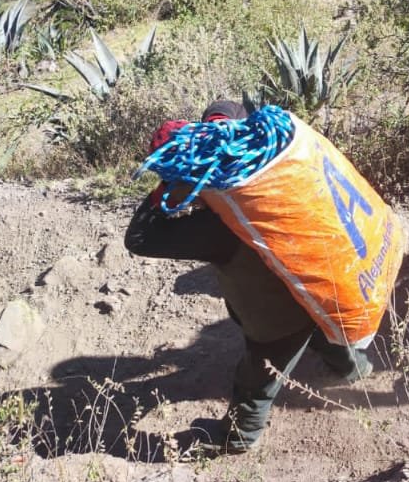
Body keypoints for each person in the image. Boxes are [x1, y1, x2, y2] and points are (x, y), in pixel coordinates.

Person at [125, 99, 372, 455]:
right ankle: (354, 370)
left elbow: (140, 238)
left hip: (276, 321)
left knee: (255, 381)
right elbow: (227, 107)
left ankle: (240, 437)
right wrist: (222, 126)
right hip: (319, 286)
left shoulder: (220, 225)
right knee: (324, 333)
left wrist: (170, 185)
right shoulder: (287, 178)